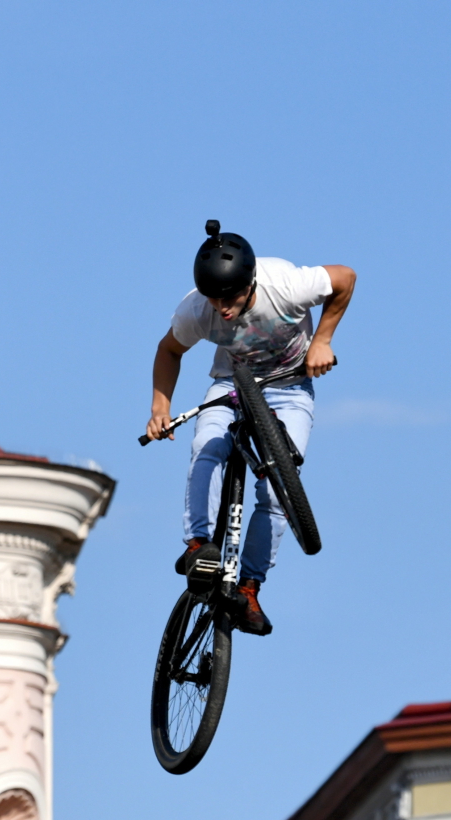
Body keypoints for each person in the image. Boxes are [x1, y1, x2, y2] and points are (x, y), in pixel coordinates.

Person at [145, 221, 355, 636]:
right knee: (208, 445)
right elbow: (168, 350)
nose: (223, 308)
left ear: (251, 282)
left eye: (232, 297)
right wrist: (159, 407)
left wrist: (323, 340)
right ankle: (197, 546)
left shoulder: (288, 286)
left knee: (278, 488)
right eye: (214, 298)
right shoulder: (196, 311)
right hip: (231, 385)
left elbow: (345, 279)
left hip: (290, 388)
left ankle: (249, 586)